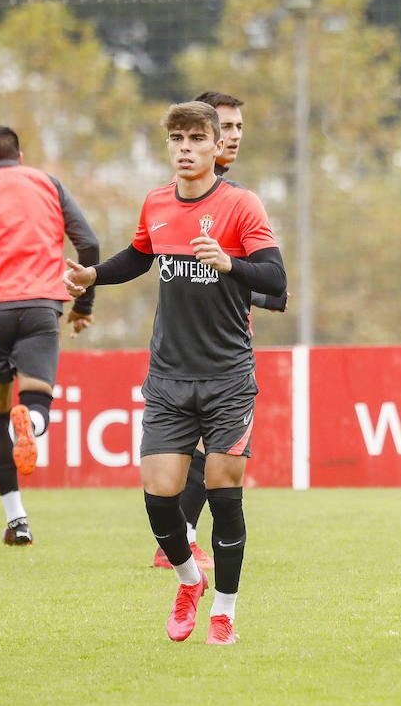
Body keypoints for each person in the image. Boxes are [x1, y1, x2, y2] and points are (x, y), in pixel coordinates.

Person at [63, 101, 286, 646]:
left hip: (228, 376)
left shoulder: (240, 206)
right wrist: (93, 274)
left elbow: (276, 281)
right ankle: (190, 580)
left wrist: (230, 263)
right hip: (167, 376)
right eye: (177, 139)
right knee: (159, 497)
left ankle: (225, 613)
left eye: (196, 139)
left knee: (223, 492)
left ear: (216, 147)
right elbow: (140, 256)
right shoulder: (157, 203)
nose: (185, 148)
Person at [149, 90, 288, 572]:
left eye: (238, 128)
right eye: (224, 127)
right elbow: (155, 258)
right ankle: (181, 540)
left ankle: (191, 556)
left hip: (225, 354)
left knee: (215, 461)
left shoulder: (238, 202)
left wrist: (243, 279)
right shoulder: (174, 196)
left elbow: (269, 279)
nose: (232, 137)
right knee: (200, 456)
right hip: (187, 360)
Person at [0, 125, 99, 546]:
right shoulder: (47, 183)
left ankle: (18, 521)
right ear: (20, 155)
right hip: (40, 307)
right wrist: (83, 307)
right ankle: (29, 422)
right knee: (36, 400)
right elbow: (89, 244)